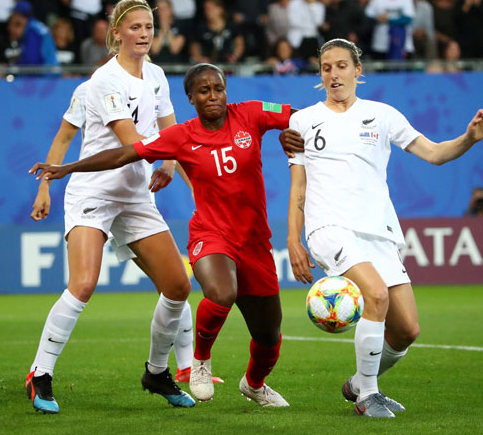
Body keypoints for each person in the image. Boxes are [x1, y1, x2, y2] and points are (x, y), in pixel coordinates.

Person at [29, 63, 295, 407]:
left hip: (252, 240)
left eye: (218, 88)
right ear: (191, 98)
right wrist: (66, 169)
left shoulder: (252, 113)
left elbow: (301, 117)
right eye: (204, 91)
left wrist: (295, 131)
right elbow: (125, 152)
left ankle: (245, 384)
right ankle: (197, 363)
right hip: (207, 233)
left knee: (266, 332)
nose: (212, 96)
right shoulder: (177, 133)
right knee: (220, 291)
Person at [283, 38, 483, 418]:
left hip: (378, 231)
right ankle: (367, 397)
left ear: (358, 70)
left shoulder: (383, 115)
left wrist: (469, 138)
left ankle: (357, 383)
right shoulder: (302, 121)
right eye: (326, 68)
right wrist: (293, 240)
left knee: (405, 332)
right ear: (320, 75)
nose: (334, 74)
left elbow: (433, 153)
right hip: (329, 227)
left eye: (341, 66)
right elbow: (298, 186)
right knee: (376, 296)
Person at [24, 0, 197, 415]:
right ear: (117, 32)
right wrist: (49, 181)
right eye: (135, 27)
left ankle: (159, 372)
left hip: (136, 195)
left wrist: (173, 163)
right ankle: (40, 374)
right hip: (93, 192)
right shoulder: (102, 81)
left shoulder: (156, 76)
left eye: (149, 27)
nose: (143, 34)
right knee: (83, 283)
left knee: (178, 285)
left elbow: (171, 132)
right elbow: (130, 141)